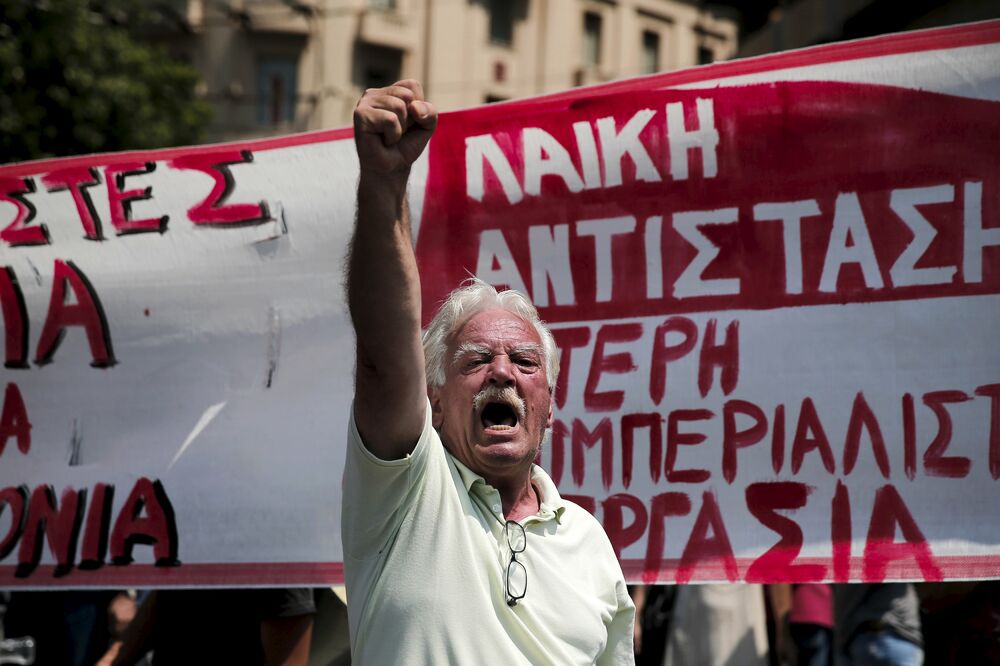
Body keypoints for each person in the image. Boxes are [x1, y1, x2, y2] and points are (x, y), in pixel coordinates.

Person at [343, 79, 635, 664]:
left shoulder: (588, 541)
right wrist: (384, 184)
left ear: (549, 406)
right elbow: (383, 357)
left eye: (525, 361)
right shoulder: (404, 493)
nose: (502, 372)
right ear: (434, 399)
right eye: (476, 360)